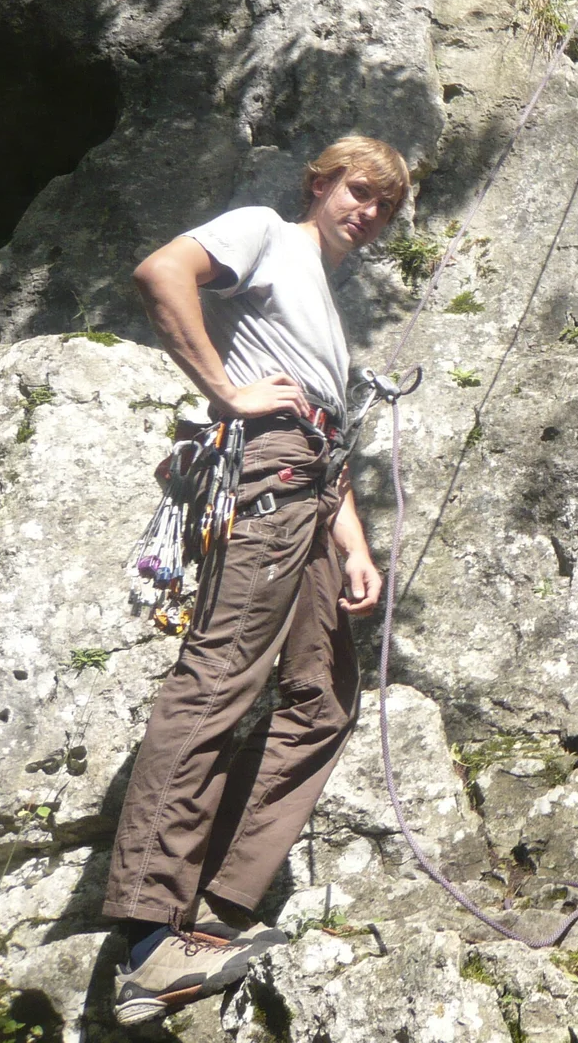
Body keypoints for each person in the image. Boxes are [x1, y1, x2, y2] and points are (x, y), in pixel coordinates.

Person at [102, 137, 409, 1025]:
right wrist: (225, 388)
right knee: (220, 678)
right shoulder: (265, 233)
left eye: (384, 205)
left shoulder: (322, 301)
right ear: (320, 186)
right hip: (271, 470)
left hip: (311, 480)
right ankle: (152, 935)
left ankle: (218, 910)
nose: (369, 212)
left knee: (324, 696)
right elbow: (162, 272)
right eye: (358, 192)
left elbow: (326, 430)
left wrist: (353, 542)